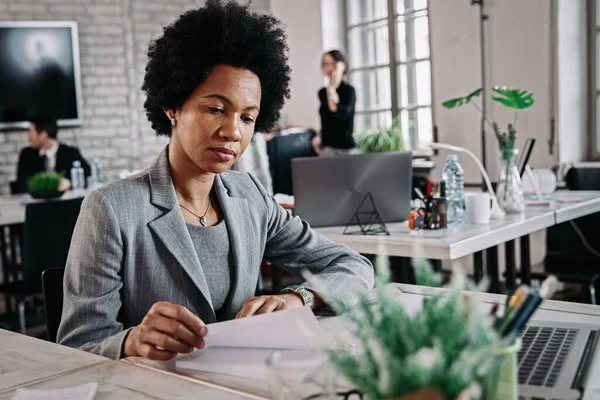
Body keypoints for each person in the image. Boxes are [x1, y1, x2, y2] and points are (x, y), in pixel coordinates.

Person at [57, 0, 374, 361]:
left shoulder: (250, 196)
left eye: (248, 118)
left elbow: (353, 267)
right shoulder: (112, 210)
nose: (232, 132)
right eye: (216, 109)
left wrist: (298, 298)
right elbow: (77, 346)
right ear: (173, 106)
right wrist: (131, 342)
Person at [14, 114, 90, 193]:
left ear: (43, 135)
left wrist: (69, 183)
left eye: (30, 132)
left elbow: (87, 175)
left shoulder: (70, 152)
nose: (28, 137)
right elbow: (21, 184)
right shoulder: (26, 155)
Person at [312, 50, 358, 157]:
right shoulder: (322, 93)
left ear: (344, 66)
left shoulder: (349, 91)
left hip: (347, 150)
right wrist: (318, 136)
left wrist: (331, 89)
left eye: (334, 63)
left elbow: (339, 114)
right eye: (326, 64)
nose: (330, 67)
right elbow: (328, 121)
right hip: (327, 149)